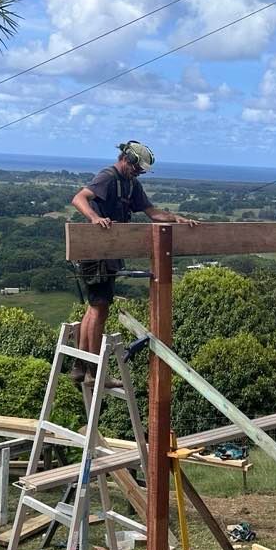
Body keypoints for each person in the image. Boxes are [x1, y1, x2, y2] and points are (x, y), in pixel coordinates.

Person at [70, 140, 197, 391]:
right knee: (99, 310)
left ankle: (80, 367)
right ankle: (94, 373)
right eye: (137, 169)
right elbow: (79, 198)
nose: (138, 173)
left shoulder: (131, 184)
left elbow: (151, 212)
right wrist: (95, 218)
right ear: (126, 160)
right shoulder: (108, 176)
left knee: (94, 307)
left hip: (108, 252)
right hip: (96, 252)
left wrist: (175, 218)